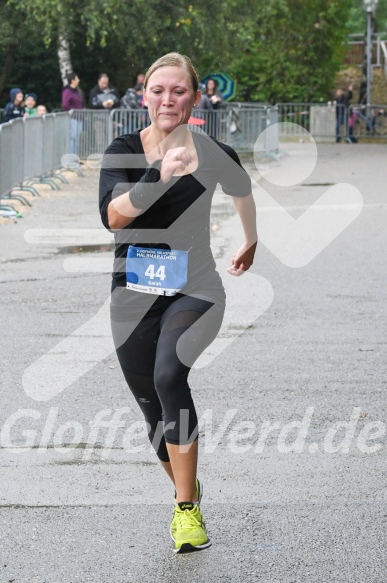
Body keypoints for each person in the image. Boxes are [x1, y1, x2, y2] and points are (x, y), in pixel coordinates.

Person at [99, 52, 257, 553]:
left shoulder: (213, 151)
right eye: (159, 90)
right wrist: (159, 177)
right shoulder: (123, 149)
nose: (169, 99)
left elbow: (243, 188)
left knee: (170, 375)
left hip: (196, 288)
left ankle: (185, 509)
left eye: (180, 91)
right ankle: (187, 488)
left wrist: (250, 239)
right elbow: (113, 218)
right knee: (152, 414)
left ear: (195, 96)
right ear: (144, 94)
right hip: (132, 297)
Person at [89, 73, 119, 153]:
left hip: (110, 119)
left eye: (106, 83)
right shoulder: (94, 91)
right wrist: (102, 104)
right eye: (102, 83)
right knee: (100, 140)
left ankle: (113, 156)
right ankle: (102, 157)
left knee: (113, 138)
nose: (104, 85)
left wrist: (113, 103)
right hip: (99, 119)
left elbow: (118, 101)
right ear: (98, 81)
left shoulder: (113, 90)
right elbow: (91, 104)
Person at [62, 72, 85, 155]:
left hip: (79, 117)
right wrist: (73, 111)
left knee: (77, 138)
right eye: (77, 78)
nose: (78, 80)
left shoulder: (77, 91)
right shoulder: (67, 91)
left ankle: (75, 156)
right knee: (72, 138)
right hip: (72, 117)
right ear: (72, 80)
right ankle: (71, 157)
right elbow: (65, 104)